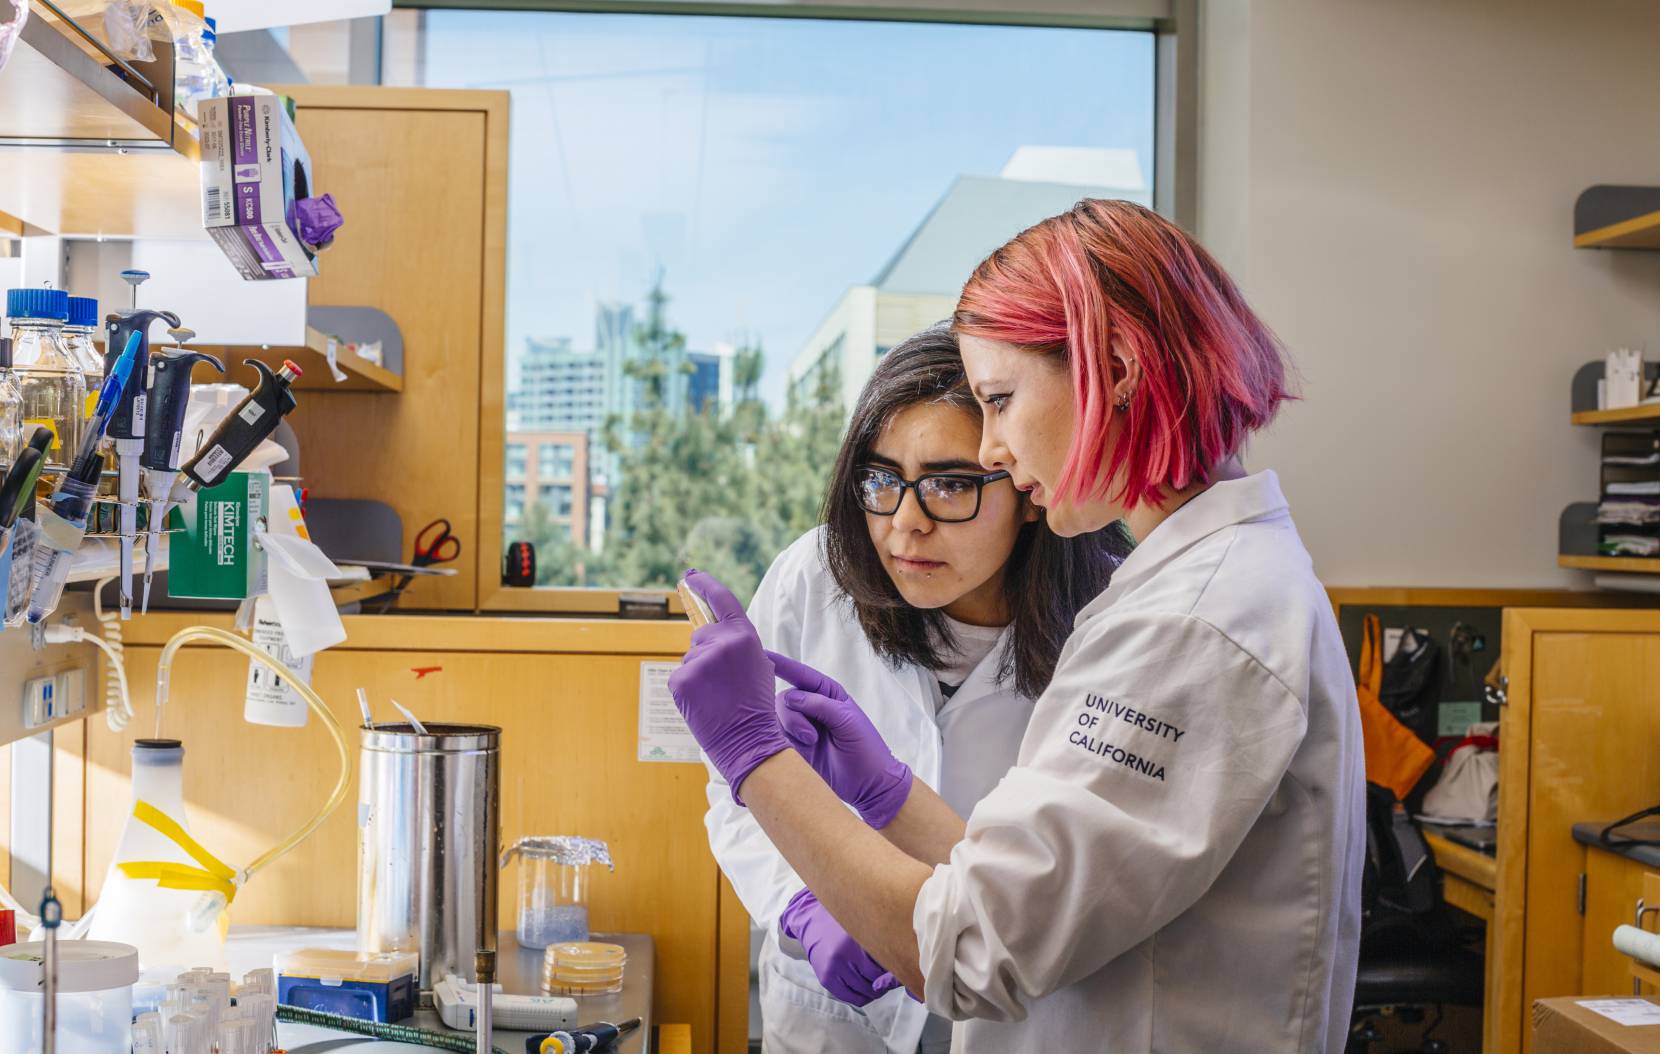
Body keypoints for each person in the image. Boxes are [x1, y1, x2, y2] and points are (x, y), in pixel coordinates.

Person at [671, 199, 1365, 1052]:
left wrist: (758, 759)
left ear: (1115, 370)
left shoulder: (1194, 623)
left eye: (1000, 400)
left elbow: (970, 951)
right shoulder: (1194, 588)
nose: (994, 448)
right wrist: (890, 798)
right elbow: (1052, 883)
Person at [706, 323, 1128, 1054]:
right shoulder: (815, 578)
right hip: (835, 1025)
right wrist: (800, 906)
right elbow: (737, 796)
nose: (905, 522)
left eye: (949, 484)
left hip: (1023, 1022)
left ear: (1025, 485)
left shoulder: (1113, 620)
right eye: (881, 479)